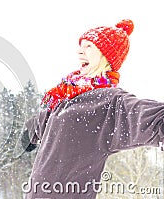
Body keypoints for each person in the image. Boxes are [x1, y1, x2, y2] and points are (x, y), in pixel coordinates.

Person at [22, 19, 164, 199]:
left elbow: (152, 118)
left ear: (106, 55)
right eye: (81, 46)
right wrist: (30, 132)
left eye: (89, 46)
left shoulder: (111, 102)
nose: (80, 51)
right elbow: (46, 122)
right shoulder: (65, 95)